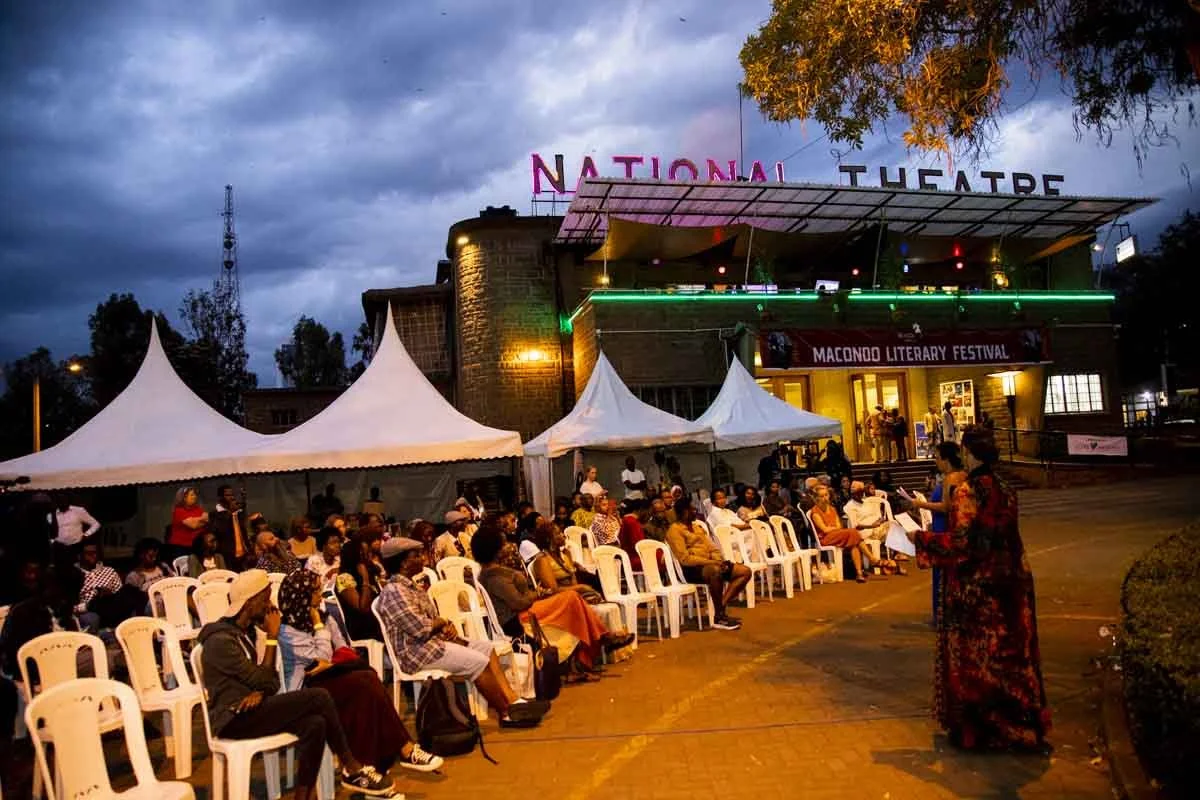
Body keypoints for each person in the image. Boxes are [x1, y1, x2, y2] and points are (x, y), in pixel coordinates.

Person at [909, 429, 1051, 752]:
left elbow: (965, 544)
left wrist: (920, 539)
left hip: (977, 591)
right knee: (1014, 659)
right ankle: (1022, 729)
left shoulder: (967, 491)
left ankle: (982, 732)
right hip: (1013, 585)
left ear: (970, 454)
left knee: (978, 662)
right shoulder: (1006, 490)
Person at [197, 570, 395, 798]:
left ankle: (303, 795)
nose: (270, 605)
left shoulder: (242, 633)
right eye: (265, 598)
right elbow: (265, 678)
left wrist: (259, 691)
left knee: (316, 723)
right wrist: (272, 638)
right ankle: (352, 766)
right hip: (232, 718)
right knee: (318, 696)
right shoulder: (221, 642)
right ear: (250, 602)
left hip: (252, 708)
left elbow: (267, 682)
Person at [276, 569, 443, 774]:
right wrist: (319, 628)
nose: (320, 596)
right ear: (301, 596)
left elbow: (342, 649)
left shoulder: (326, 618)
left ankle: (372, 765)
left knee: (367, 681)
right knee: (365, 681)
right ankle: (402, 750)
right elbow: (323, 656)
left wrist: (329, 657)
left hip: (331, 678)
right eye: (315, 591)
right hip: (306, 692)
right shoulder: (287, 632)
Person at [376, 537, 549, 728]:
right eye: (416, 555)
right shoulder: (395, 591)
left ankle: (514, 701)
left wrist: (445, 625)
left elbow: (430, 621)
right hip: (418, 654)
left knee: (486, 649)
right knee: (478, 663)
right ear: (404, 563)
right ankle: (506, 713)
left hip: (432, 643)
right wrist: (441, 622)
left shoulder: (411, 586)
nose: (423, 559)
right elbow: (421, 628)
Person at [475, 525, 632, 676]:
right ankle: (602, 639)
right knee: (571, 599)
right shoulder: (494, 576)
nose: (507, 546)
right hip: (517, 618)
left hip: (526, 609)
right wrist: (537, 593)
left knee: (573, 600)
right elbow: (519, 603)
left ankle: (596, 645)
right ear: (494, 550)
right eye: (503, 544)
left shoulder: (495, 571)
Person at [664, 497, 751, 630]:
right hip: (690, 570)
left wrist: (718, 559)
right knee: (715, 571)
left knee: (744, 571)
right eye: (692, 509)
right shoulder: (674, 530)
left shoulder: (697, 527)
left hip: (710, 564)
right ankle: (719, 618)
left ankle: (720, 606)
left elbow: (712, 547)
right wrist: (712, 562)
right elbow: (685, 559)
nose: (695, 511)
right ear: (684, 512)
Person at [905, 442, 968, 624]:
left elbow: (947, 506)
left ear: (946, 459)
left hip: (945, 526)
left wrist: (920, 504)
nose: (936, 461)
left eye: (938, 457)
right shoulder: (958, 476)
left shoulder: (952, 478)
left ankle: (943, 615)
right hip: (942, 524)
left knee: (943, 573)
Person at [809, 485, 874, 583]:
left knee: (854, 542)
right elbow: (825, 530)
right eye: (821, 496)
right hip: (825, 539)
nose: (824, 498)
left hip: (836, 534)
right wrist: (833, 528)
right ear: (817, 498)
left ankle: (859, 573)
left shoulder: (832, 509)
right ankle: (871, 558)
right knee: (853, 532)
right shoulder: (815, 512)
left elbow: (839, 525)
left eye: (826, 495)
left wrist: (833, 528)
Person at [528, 520, 605, 603]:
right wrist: (581, 588)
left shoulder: (565, 554)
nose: (563, 535)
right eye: (558, 533)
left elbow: (573, 582)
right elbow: (553, 590)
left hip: (571, 594)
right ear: (548, 539)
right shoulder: (542, 560)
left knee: (598, 583)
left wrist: (578, 586)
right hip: (558, 598)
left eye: (561, 532)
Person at [75, 541, 145, 631]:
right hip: (89, 609)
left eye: (95, 553)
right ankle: (93, 605)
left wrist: (109, 593)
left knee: (131, 590)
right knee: (95, 610)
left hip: (110, 606)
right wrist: (86, 605)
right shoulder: (75, 574)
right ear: (80, 555)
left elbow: (120, 594)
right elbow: (70, 607)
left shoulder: (109, 571)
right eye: (89, 553)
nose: (93, 556)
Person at [335, 529, 384, 641]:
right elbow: (363, 609)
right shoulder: (344, 578)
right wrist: (365, 579)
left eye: (367, 553)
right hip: (362, 626)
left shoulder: (370, 571)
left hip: (376, 619)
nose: (367, 558)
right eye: (362, 554)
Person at [210, 484, 250, 569]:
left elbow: (244, 531)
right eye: (228, 495)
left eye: (232, 495)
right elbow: (220, 532)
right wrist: (230, 513)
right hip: (227, 556)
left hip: (243, 554)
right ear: (220, 498)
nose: (231, 497)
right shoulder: (215, 514)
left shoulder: (237, 512)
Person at [168, 486, 209, 560]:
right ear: (184, 498)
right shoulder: (178, 511)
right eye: (192, 495)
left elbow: (207, 520)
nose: (195, 497)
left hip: (196, 546)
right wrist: (201, 520)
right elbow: (193, 525)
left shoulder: (197, 509)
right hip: (181, 548)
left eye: (195, 494)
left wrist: (195, 520)